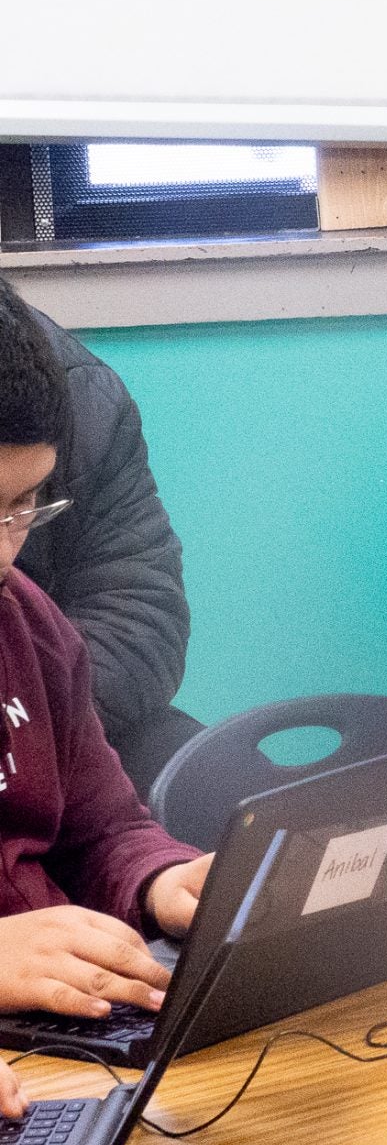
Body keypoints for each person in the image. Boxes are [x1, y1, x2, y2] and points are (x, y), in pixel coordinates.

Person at [0, 282, 209, 1100]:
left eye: (22, 507)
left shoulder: (28, 622)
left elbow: (103, 828)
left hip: (68, 1030)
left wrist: (162, 880)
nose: (5, 557)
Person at [11, 297, 194, 797]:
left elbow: (138, 619)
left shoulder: (77, 395)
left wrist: (22, 722)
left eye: (20, 506)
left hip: (46, 714)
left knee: (216, 796)